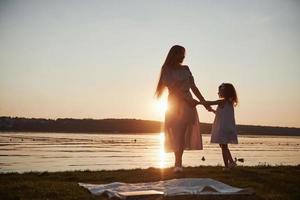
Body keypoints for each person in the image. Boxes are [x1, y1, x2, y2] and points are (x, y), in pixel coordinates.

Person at [155, 45, 212, 172]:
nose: (183, 56)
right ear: (174, 54)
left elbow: (193, 87)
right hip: (175, 103)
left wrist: (204, 102)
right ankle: (178, 164)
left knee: (182, 133)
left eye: (184, 54)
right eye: (181, 53)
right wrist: (188, 100)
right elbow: (173, 88)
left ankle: (178, 163)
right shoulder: (167, 69)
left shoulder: (186, 69)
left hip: (188, 104)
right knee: (177, 133)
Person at [199, 83, 238, 169]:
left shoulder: (222, 101)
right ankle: (231, 162)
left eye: (219, 91)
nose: (218, 92)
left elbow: (211, 102)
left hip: (222, 128)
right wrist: (212, 110)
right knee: (223, 146)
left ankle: (227, 166)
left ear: (224, 92)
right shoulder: (229, 103)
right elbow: (221, 114)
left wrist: (199, 102)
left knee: (223, 147)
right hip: (227, 127)